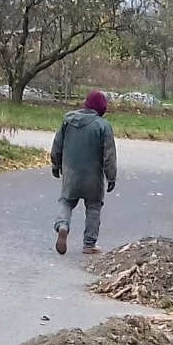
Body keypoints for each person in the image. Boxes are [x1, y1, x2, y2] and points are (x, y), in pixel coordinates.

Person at [50, 90, 117, 255]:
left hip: (71, 173)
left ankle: (63, 225)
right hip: (93, 177)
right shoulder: (103, 126)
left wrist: (55, 164)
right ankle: (89, 244)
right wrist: (111, 177)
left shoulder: (68, 121)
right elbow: (109, 155)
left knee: (66, 201)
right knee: (94, 207)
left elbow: (57, 144)